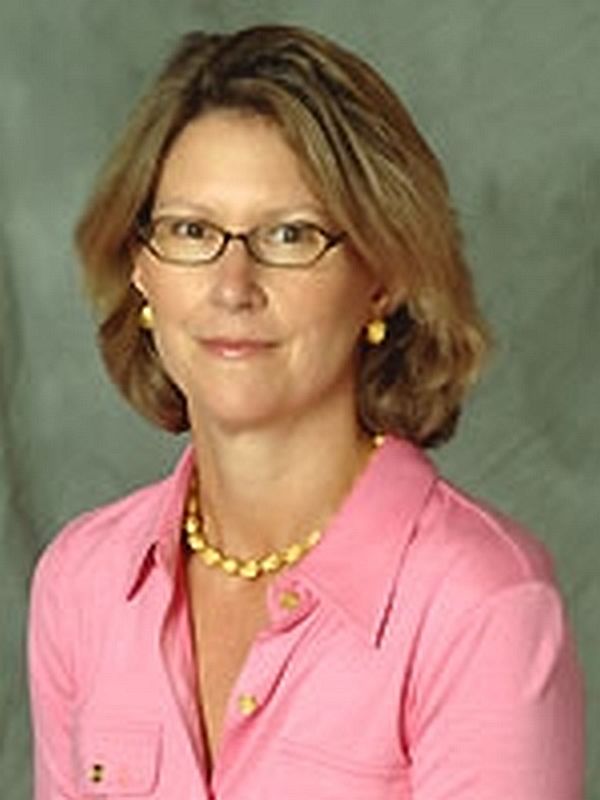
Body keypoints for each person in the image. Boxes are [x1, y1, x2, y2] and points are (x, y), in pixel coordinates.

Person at [28, 24, 584, 800]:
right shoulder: (81, 583)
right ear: (141, 268)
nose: (233, 286)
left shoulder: (480, 604)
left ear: (384, 275)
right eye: (191, 230)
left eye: (290, 235)